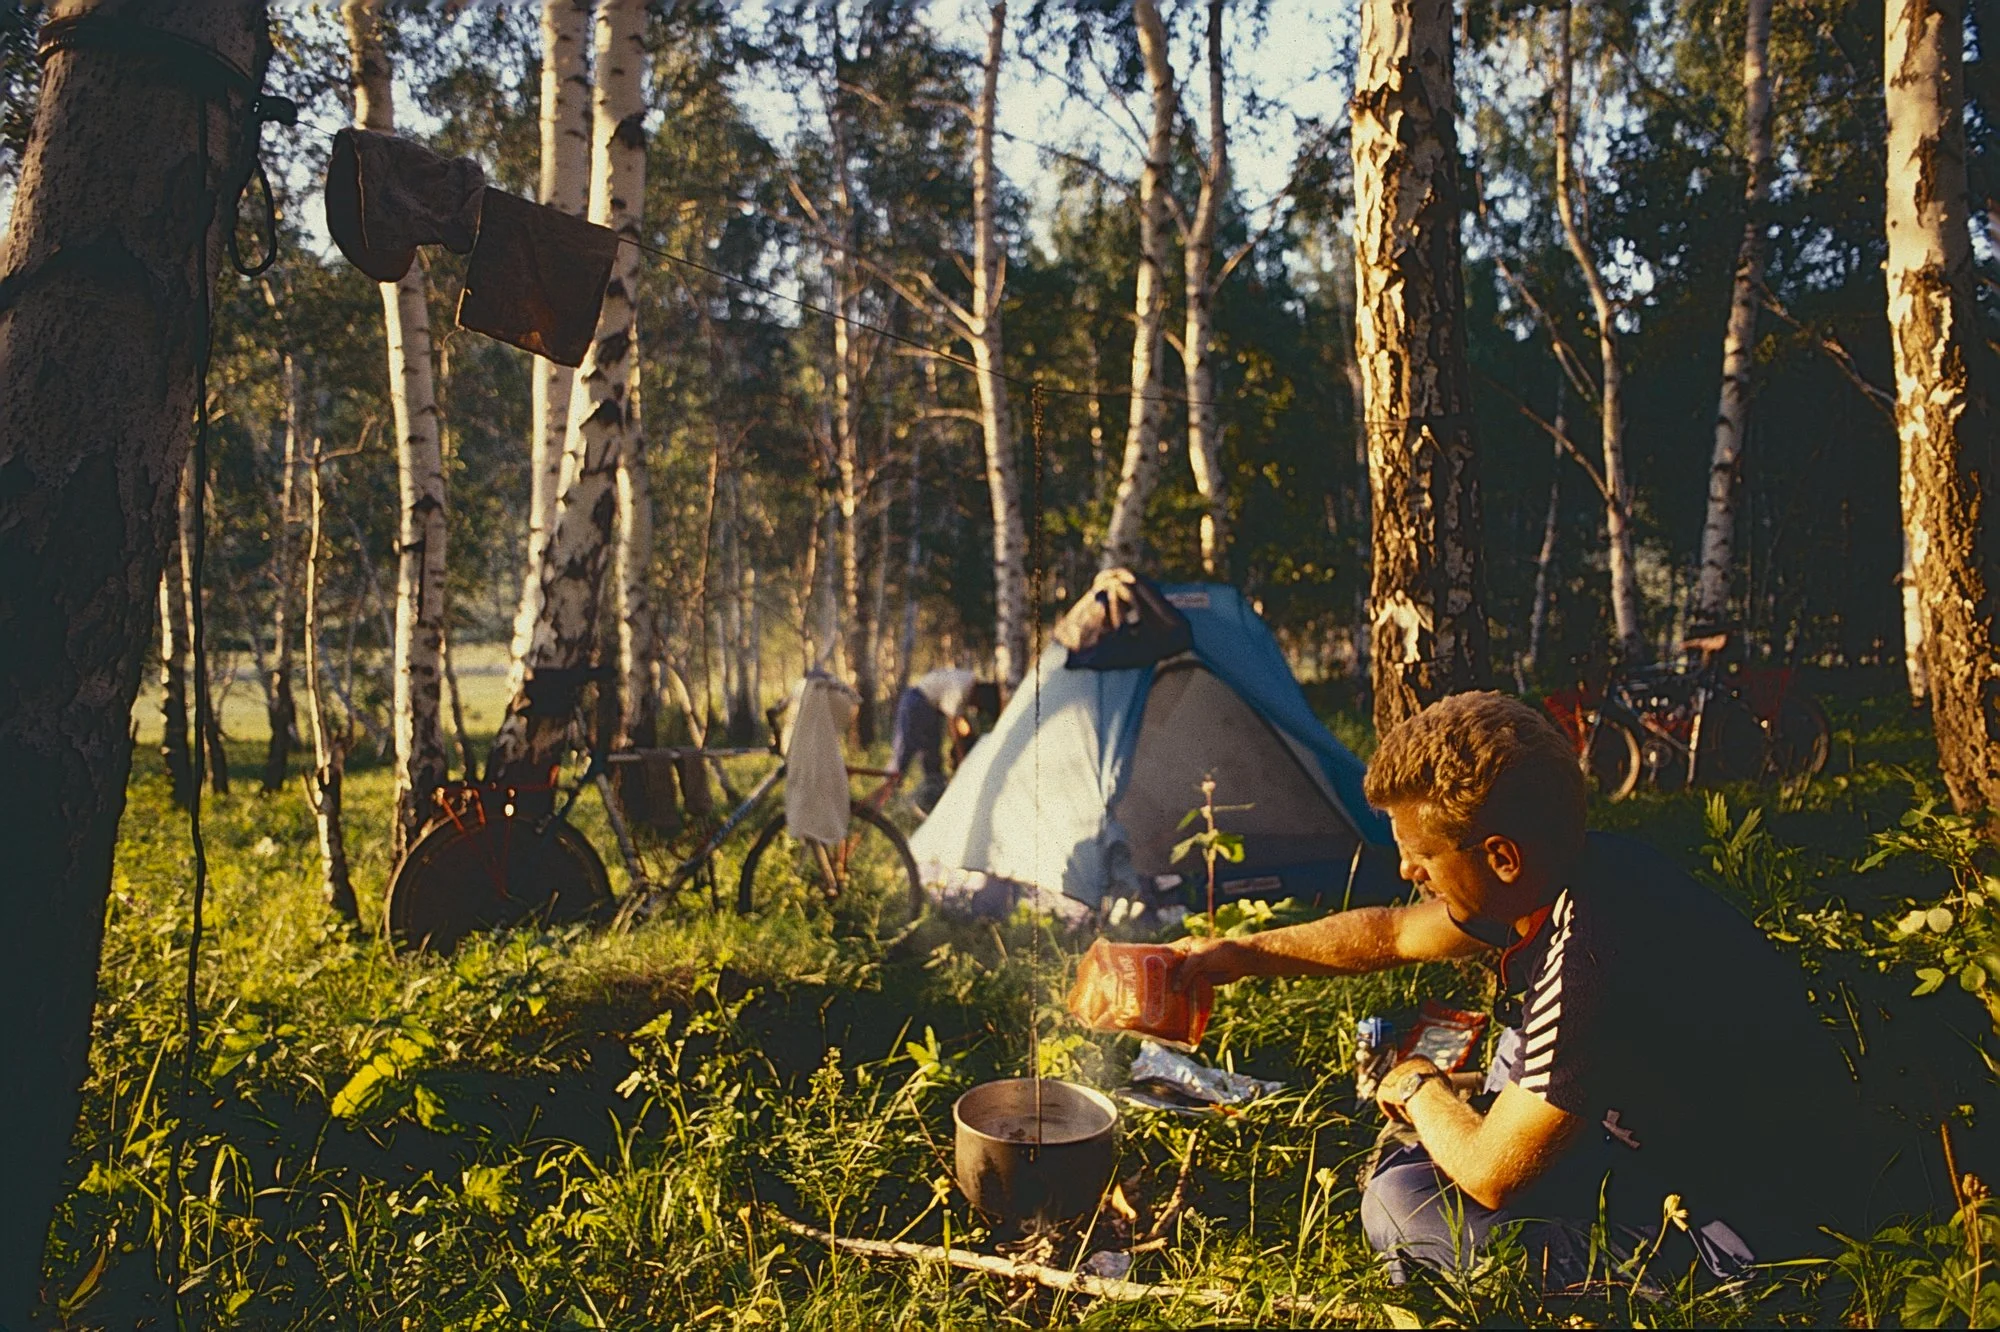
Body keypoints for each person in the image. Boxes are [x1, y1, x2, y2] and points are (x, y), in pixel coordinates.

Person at [1170, 691, 1869, 1291]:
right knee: (1480, 1099)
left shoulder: (1592, 952)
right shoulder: (1585, 872)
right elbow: (1387, 935)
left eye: (1421, 854)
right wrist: (1236, 955)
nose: (1409, 869)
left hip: (1754, 1233)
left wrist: (1420, 1087)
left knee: (1401, 1203)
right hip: (1675, 1140)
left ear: (1502, 857)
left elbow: (1491, 1173)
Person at [888, 667, 976, 813]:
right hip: (917, 702)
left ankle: (931, 805)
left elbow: (961, 723)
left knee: (932, 761)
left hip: (930, 709)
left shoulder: (968, 679)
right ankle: (886, 802)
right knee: (903, 755)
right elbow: (953, 724)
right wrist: (962, 760)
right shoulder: (961, 687)